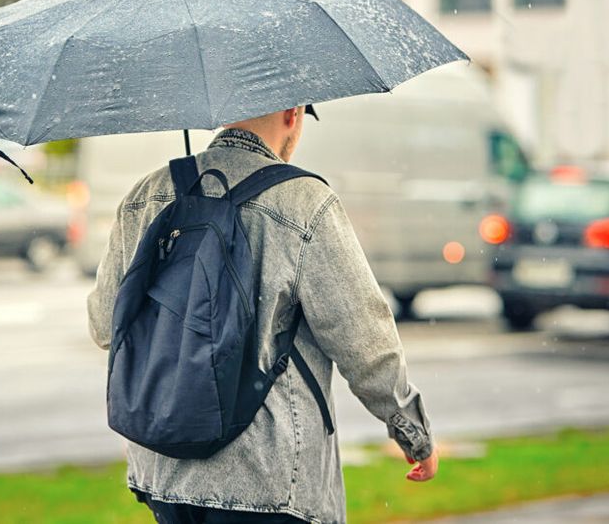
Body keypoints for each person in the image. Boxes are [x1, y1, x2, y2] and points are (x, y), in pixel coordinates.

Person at [87, 105, 438, 524]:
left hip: (165, 472)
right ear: (292, 113)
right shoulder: (305, 203)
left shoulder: (145, 196)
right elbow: (364, 341)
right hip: (269, 479)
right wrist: (413, 432)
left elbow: (104, 324)